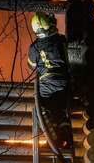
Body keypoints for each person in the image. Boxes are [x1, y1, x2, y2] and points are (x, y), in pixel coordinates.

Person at [27, 11, 74, 150]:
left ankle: (53, 139)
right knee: (59, 111)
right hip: (65, 82)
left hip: (47, 84)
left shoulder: (34, 47)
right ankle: (66, 139)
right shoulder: (61, 40)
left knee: (41, 110)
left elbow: (31, 66)